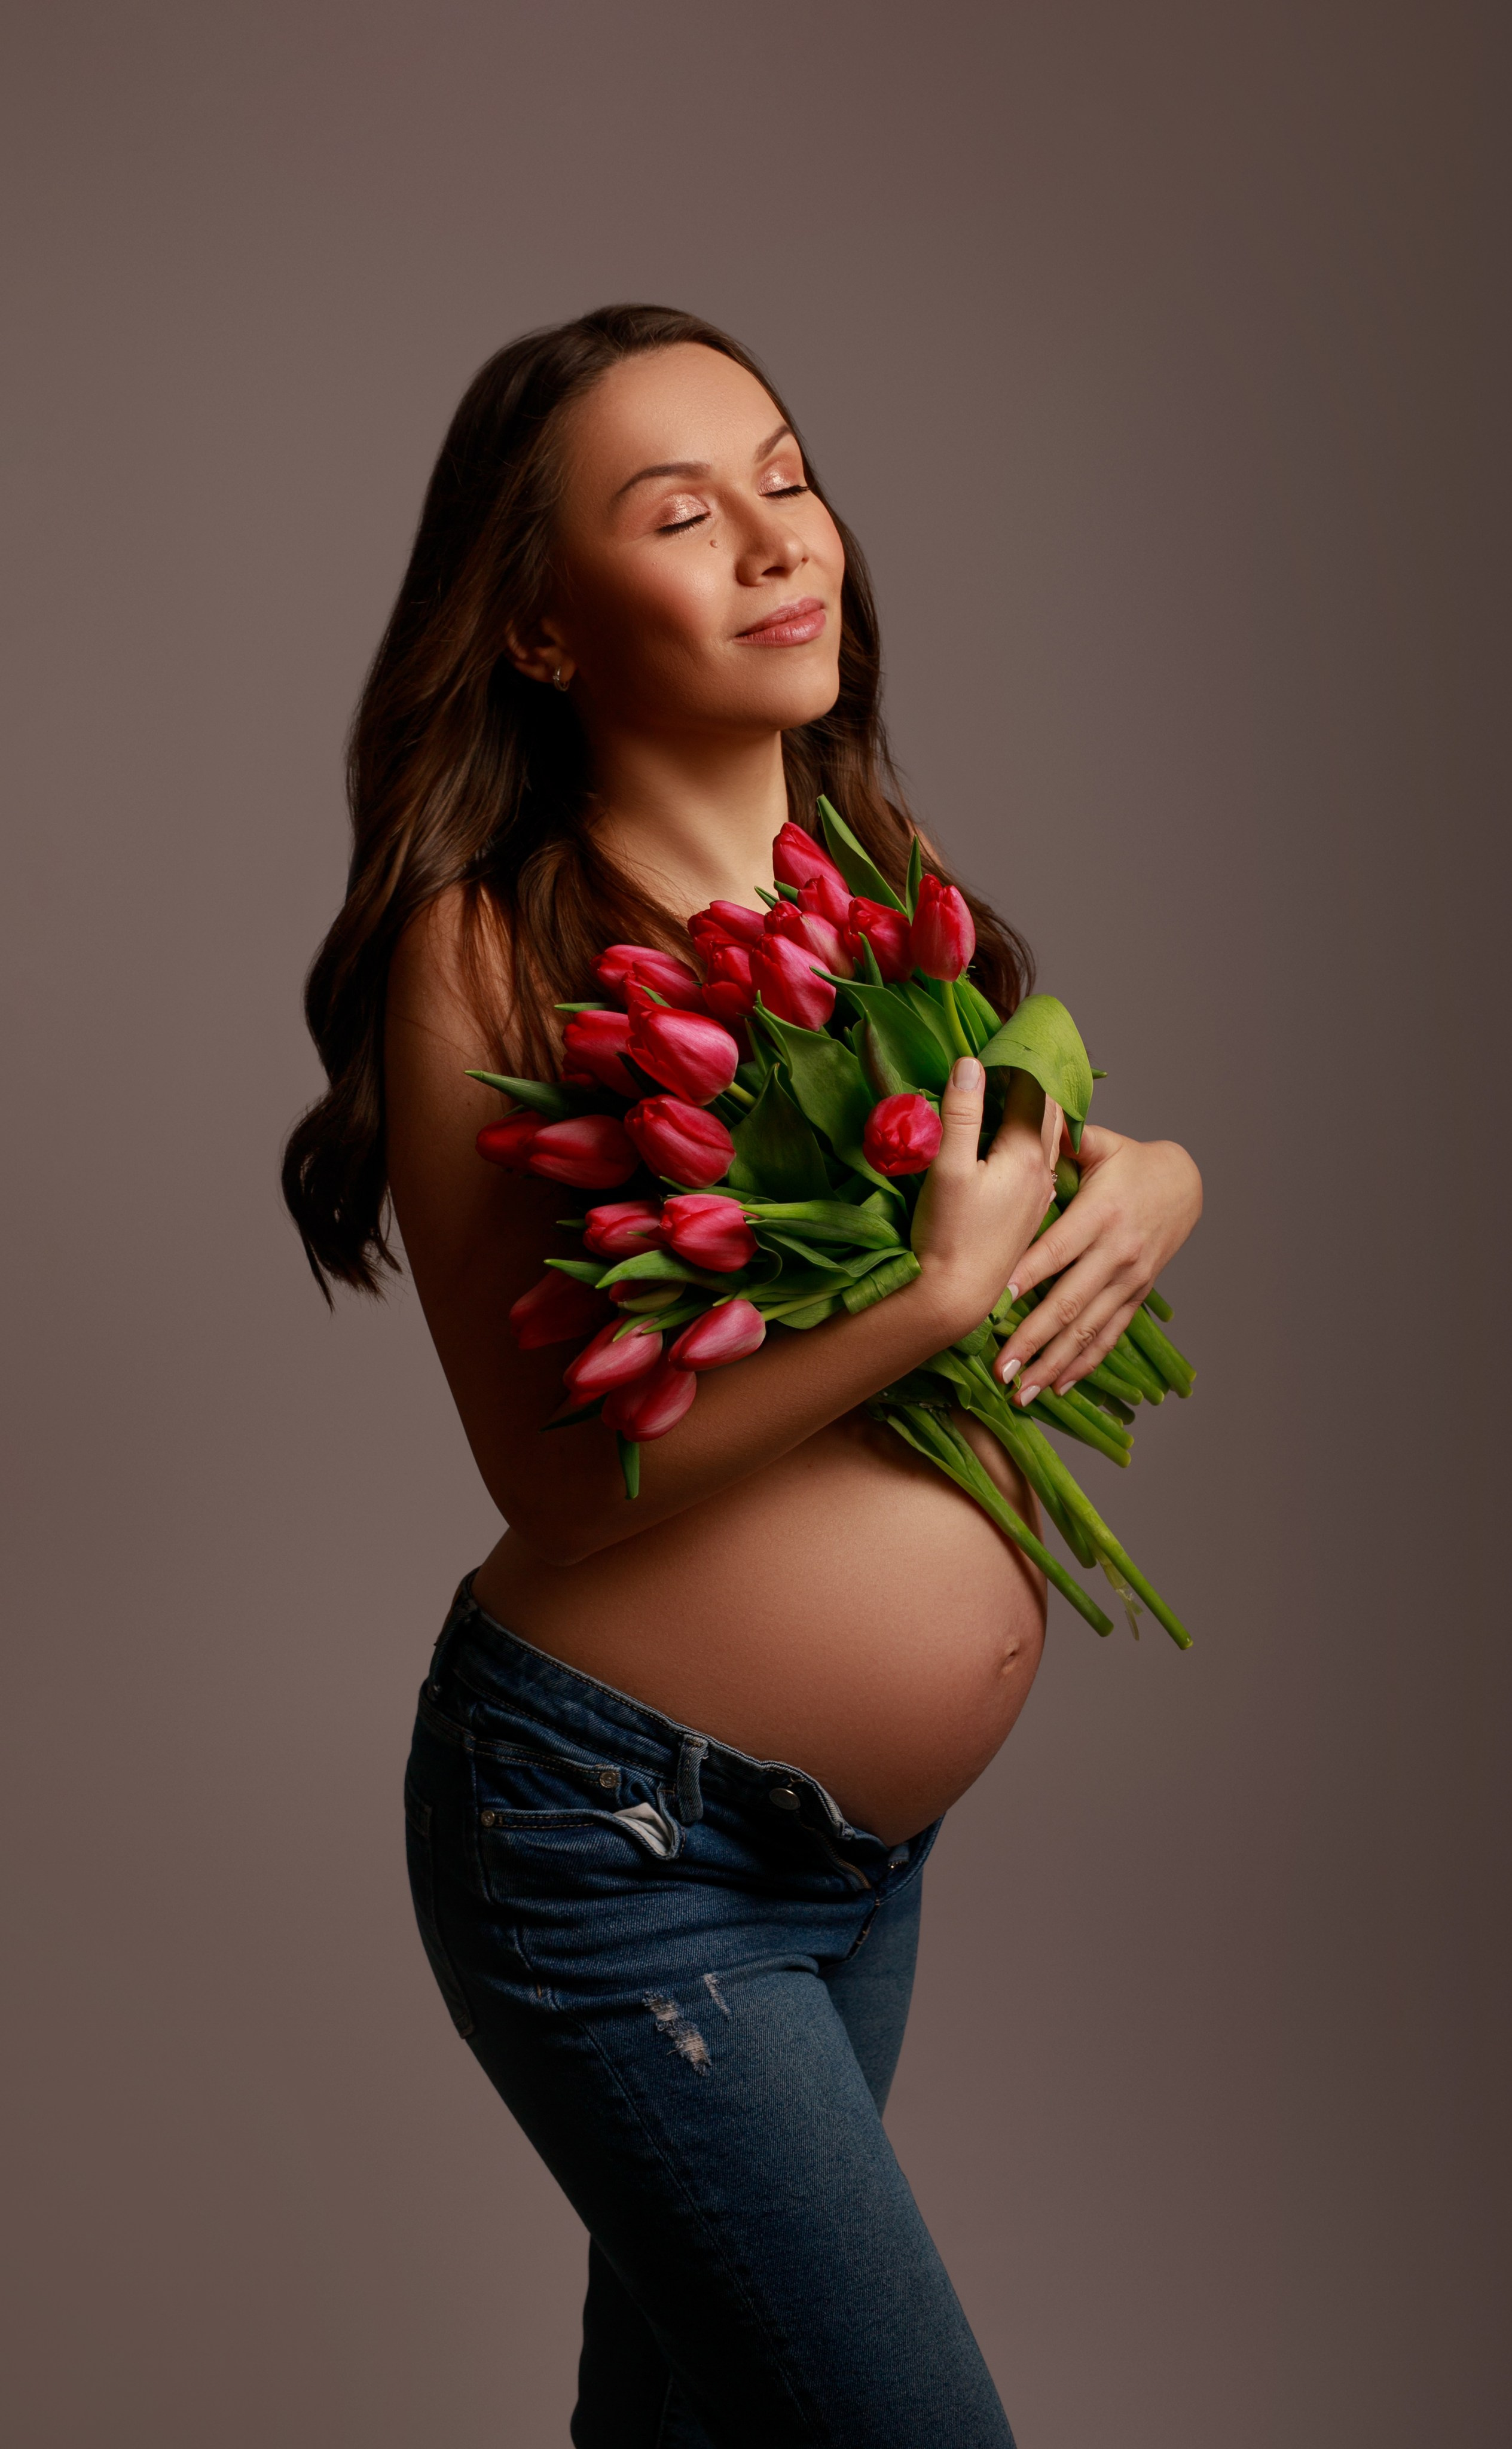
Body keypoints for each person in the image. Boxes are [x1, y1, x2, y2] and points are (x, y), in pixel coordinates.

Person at [283, 304, 1202, 2447]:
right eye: (683, 514)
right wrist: (921, 1306)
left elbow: (1032, 1186)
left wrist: (1163, 1177)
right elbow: (550, 1473)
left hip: (847, 1857)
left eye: (787, 479)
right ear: (536, 624)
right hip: (616, 1838)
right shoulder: (486, 945)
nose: (781, 541)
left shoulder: (877, 893)